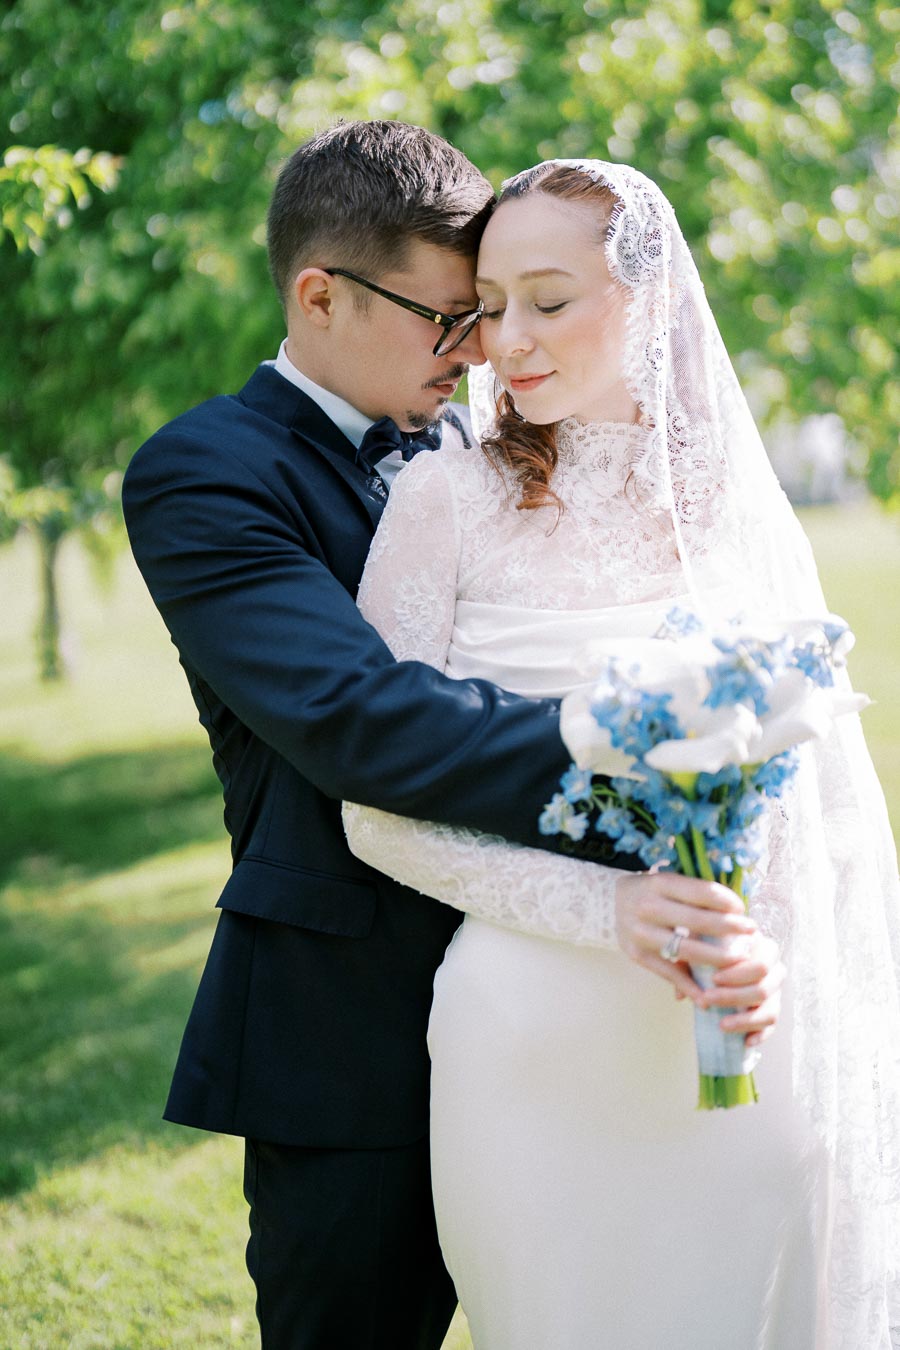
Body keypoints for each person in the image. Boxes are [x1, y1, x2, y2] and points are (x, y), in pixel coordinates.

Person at [343, 159, 900, 1348]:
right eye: (490, 306)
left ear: (650, 301)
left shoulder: (730, 504)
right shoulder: (444, 501)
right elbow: (374, 810)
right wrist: (613, 916)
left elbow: (808, 795)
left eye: (550, 299)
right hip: (530, 1036)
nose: (510, 340)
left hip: (732, 1027)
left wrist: (768, 962)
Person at [121, 121, 659, 1350]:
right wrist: (640, 749)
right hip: (348, 1033)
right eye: (449, 317)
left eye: (494, 314)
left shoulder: (487, 447)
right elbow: (353, 720)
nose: (482, 349)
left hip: (559, 1003)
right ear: (319, 294)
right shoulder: (206, 471)